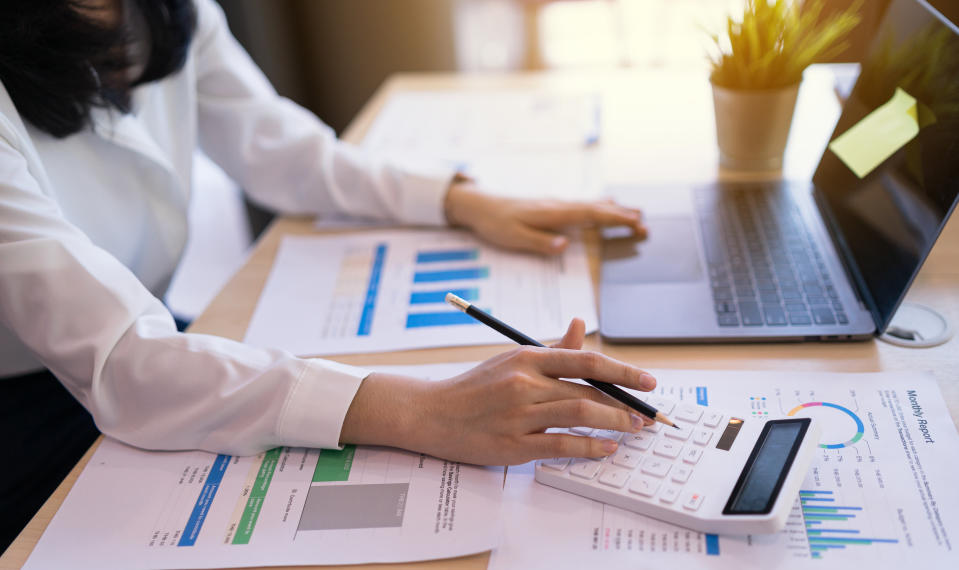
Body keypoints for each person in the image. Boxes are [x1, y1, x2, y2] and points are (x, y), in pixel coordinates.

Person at [0, 0, 654, 549]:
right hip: (27, 405)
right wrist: (422, 408)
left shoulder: (169, 10)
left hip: (145, 334)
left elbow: (278, 146)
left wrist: (458, 201)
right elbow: (120, 362)